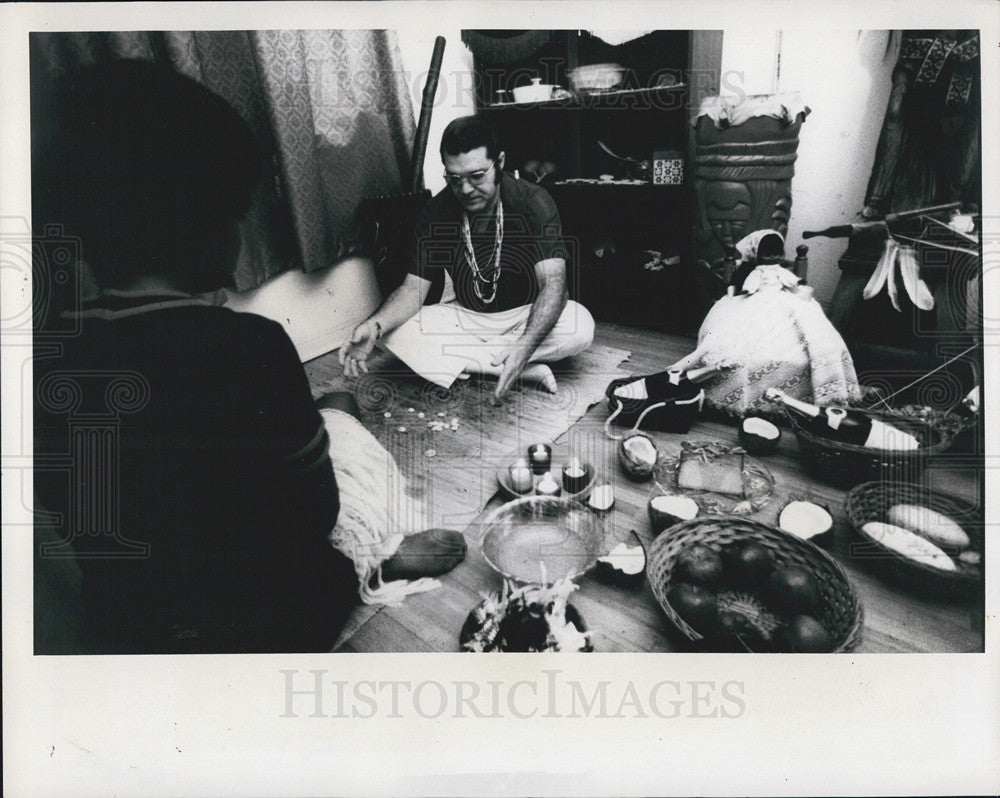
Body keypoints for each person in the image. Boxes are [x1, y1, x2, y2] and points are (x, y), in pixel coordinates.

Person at [32, 60, 463, 654]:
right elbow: (316, 515)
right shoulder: (251, 348)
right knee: (340, 430)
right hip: (270, 618)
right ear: (203, 227)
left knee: (334, 400)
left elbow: (67, 506)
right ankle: (379, 561)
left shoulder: (44, 360)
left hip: (128, 620)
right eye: (236, 215)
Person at [340, 115, 595, 402]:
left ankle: (495, 358)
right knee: (390, 332)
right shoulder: (436, 211)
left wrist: (525, 343)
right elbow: (413, 290)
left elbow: (554, 285)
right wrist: (373, 326)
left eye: (476, 176)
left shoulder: (533, 201)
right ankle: (512, 367)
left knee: (580, 326)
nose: (465, 189)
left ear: (499, 163)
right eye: (454, 178)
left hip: (524, 314)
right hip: (466, 316)